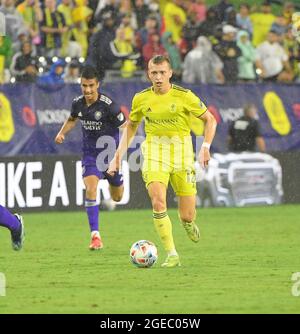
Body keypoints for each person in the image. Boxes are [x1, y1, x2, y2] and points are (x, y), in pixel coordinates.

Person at [108, 55, 217, 268]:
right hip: (154, 154)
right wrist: (117, 156)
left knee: (186, 215)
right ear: (148, 74)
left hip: (182, 155)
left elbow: (209, 120)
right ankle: (172, 253)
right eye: (154, 73)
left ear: (170, 73)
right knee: (158, 200)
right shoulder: (141, 98)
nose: (158, 77)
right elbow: (131, 126)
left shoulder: (184, 96)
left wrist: (205, 146)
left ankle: (187, 223)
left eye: (162, 73)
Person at [55, 65, 126, 250]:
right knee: (91, 188)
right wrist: (62, 133)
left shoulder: (109, 105)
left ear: (98, 84)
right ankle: (95, 236)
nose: (87, 90)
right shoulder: (77, 103)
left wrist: (119, 156)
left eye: (91, 86)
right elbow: (72, 119)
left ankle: (112, 187)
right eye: (84, 85)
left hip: (110, 157)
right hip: (90, 155)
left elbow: (126, 127)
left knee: (117, 197)